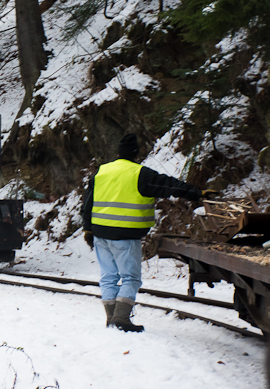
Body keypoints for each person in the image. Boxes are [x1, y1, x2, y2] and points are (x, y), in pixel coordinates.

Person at [81, 133, 202, 332]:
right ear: (136, 154)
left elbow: (87, 202)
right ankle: (121, 319)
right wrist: (198, 193)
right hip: (125, 236)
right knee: (130, 278)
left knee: (108, 277)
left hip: (100, 234)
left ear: (118, 153)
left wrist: (87, 228)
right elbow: (169, 185)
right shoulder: (140, 174)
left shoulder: (101, 171)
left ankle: (111, 318)